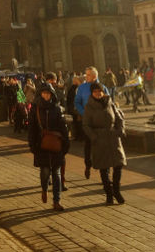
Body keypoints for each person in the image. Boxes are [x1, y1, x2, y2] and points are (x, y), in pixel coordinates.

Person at [82, 81, 126, 205]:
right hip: (99, 139)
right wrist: (93, 136)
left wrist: (120, 129)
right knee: (104, 168)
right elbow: (86, 125)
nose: (98, 93)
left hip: (113, 138)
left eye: (100, 91)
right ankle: (109, 194)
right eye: (95, 91)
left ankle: (116, 190)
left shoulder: (109, 103)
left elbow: (118, 118)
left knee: (118, 165)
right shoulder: (89, 107)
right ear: (92, 93)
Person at [28, 82, 69, 211]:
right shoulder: (35, 109)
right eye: (44, 93)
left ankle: (56, 201)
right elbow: (31, 129)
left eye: (49, 93)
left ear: (52, 94)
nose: (46, 95)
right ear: (40, 94)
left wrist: (66, 142)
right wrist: (32, 145)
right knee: (45, 172)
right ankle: (44, 189)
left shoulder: (57, 108)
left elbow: (63, 127)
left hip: (56, 144)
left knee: (56, 174)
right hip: (41, 145)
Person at [74, 66, 108, 179]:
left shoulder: (103, 87)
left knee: (103, 147)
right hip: (88, 122)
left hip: (102, 123)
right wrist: (84, 113)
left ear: (94, 76)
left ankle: (105, 173)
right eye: (86, 74)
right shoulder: (82, 88)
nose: (85, 76)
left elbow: (109, 102)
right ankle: (88, 165)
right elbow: (77, 102)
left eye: (88, 75)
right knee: (88, 145)